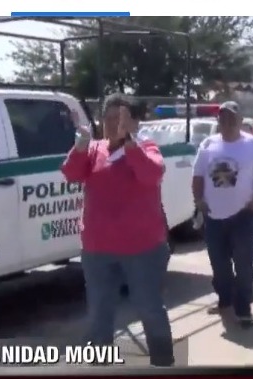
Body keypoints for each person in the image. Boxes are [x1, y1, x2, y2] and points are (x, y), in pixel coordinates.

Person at [60, 94, 175, 367]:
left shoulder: (146, 148)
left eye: (120, 119)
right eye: (108, 118)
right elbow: (71, 173)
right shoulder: (94, 149)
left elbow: (152, 174)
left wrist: (130, 144)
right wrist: (79, 147)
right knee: (100, 312)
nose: (113, 124)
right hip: (98, 251)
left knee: (149, 308)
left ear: (134, 122)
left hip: (143, 250)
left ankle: (163, 361)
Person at [192, 101, 253, 328]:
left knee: (243, 263)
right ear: (218, 121)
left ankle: (244, 307)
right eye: (223, 118)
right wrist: (199, 201)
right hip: (213, 216)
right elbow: (198, 176)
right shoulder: (208, 145)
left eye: (231, 118)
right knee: (219, 265)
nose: (227, 123)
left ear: (240, 121)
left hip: (243, 216)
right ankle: (224, 301)